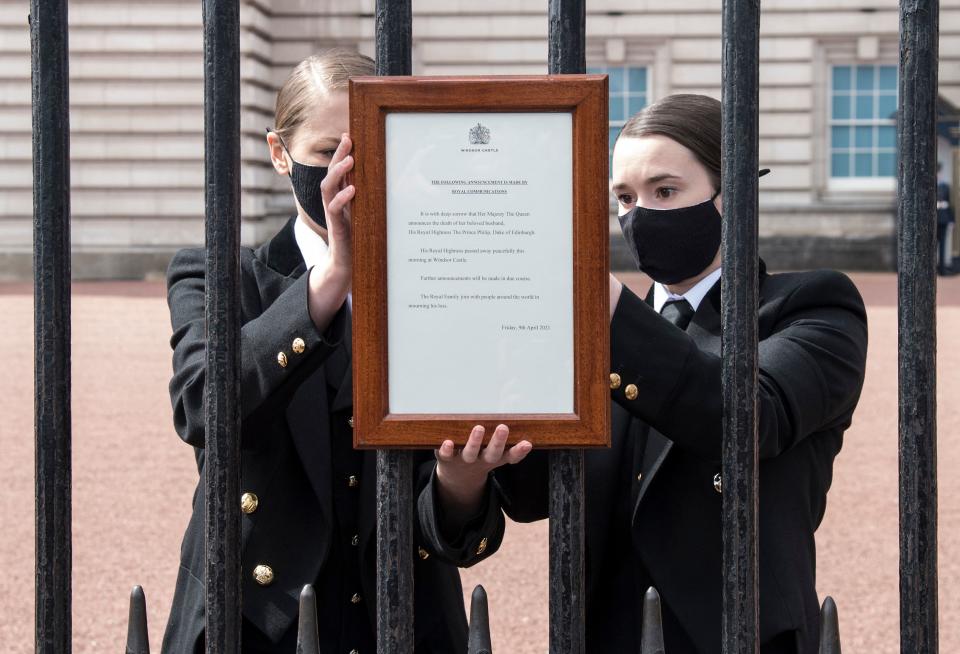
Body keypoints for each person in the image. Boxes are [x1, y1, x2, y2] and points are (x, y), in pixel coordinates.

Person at [420, 94, 869, 654]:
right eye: (625, 198)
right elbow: (533, 492)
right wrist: (465, 480)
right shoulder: (584, 329)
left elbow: (750, 419)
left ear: (732, 196)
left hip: (737, 635)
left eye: (665, 191)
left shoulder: (812, 306)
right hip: (605, 633)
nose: (639, 215)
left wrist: (596, 293)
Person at [160, 49, 517, 654]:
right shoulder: (218, 276)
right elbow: (202, 410)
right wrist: (330, 282)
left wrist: (460, 484)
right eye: (328, 152)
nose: (348, 170)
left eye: (369, 147)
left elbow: (453, 521)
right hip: (252, 618)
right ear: (280, 153)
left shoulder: (449, 275)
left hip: (403, 619)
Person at [937, 161, 955, 275]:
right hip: (933, 219)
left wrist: (952, 220)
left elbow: (951, 204)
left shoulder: (945, 186)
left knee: (943, 245)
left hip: (943, 218)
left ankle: (942, 269)